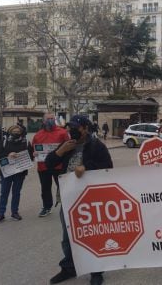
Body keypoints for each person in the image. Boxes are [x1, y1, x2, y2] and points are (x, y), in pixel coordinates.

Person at [46, 115, 113, 285]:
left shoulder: (96, 146)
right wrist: (60, 152)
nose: (71, 130)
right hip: (68, 198)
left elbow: (108, 167)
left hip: (90, 199)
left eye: (75, 127)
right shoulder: (67, 144)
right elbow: (49, 163)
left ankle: (96, 271)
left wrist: (87, 168)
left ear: (84, 128)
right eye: (69, 127)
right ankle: (69, 268)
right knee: (68, 236)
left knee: (92, 234)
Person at [31, 112, 70, 217]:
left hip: (59, 166)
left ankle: (67, 206)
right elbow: (32, 149)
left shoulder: (63, 133)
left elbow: (69, 147)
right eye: (48, 119)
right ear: (43, 121)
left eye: (52, 118)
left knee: (62, 187)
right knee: (45, 188)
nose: (50, 120)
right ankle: (47, 207)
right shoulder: (38, 135)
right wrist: (34, 153)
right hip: (43, 167)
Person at [0, 125, 32, 224]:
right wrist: (8, 155)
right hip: (6, 172)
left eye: (18, 131)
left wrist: (34, 155)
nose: (16, 132)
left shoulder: (26, 142)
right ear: (10, 131)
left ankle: (14, 212)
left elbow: (31, 157)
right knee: (4, 193)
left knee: (16, 193)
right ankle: (1, 214)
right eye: (14, 130)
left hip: (20, 172)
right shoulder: (4, 141)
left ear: (21, 132)